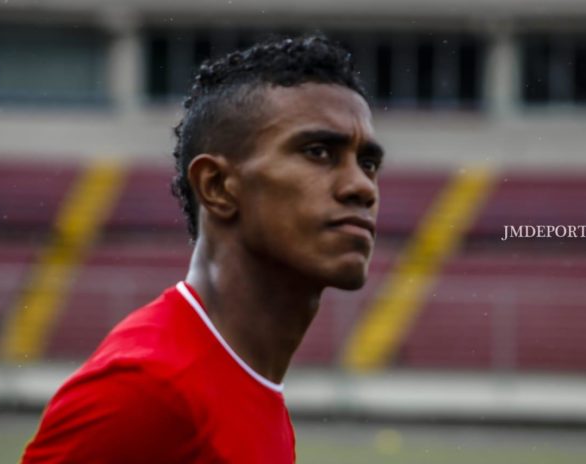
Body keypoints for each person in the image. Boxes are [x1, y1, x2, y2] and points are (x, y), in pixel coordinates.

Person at [22, 34, 384, 463]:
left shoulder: (247, 380)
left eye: (368, 163)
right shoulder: (144, 390)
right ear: (216, 186)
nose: (362, 187)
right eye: (318, 152)